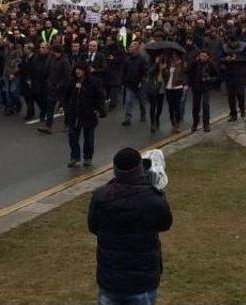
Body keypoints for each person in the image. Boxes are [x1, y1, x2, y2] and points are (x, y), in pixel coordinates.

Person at [88, 147, 172, 305]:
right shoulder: (152, 198)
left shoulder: (100, 196)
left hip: (110, 278)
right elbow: (165, 223)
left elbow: (93, 226)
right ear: (140, 169)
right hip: (142, 279)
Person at [66, 62, 106, 168]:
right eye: (76, 69)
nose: (77, 71)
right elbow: (67, 95)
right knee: (72, 136)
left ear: (85, 71)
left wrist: (98, 109)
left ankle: (87, 158)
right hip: (74, 114)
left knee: (88, 137)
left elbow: (100, 96)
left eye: (80, 69)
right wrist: (63, 106)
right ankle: (75, 157)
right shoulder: (72, 81)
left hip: (89, 113)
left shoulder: (93, 81)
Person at [38, 44, 71, 134]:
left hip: (62, 89)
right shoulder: (51, 58)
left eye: (53, 51)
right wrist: (46, 80)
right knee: (50, 107)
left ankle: (67, 124)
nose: (51, 52)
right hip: (52, 87)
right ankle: (48, 126)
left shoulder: (65, 61)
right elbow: (47, 70)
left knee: (65, 107)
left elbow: (67, 76)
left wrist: (60, 85)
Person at [221, 34, 246, 122]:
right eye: (231, 42)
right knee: (230, 96)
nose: (233, 44)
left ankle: (242, 108)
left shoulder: (244, 46)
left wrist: (237, 58)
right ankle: (233, 114)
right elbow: (220, 57)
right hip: (229, 73)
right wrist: (226, 59)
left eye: (234, 42)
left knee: (240, 94)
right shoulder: (225, 47)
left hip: (240, 73)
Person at [188, 50, 218, 133]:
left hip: (206, 87)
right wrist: (188, 84)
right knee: (196, 107)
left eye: (205, 56)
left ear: (208, 57)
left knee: (205, 105)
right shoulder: (195, 63)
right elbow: (189, 73)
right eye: (201, 56)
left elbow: (217, 76)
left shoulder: (211, 64)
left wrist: (210, 79)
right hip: (196, 87)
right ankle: (195, 122)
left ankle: (206, 124)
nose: (203, 58)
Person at [122, 41, 147, 127]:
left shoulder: (142, 60)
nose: (129, 48)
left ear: (136, 49)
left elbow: (145, 72)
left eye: (131, 47)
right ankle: (127, 119)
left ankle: (143, 114)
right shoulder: (127, 59)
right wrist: (125, 80)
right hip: (130, 84)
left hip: (139, 85)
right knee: (128, 101)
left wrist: (141, 82)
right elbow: (124, 70)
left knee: (141, 102)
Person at [163, 52, 186, 133]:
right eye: (173, 56)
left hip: (178, 87)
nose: (174, 57)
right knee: (170, 107)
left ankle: (177, 124)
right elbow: (165, 76)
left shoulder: (182, 64)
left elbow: (185, 75)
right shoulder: (168, 64)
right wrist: (165, 69)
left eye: (175, 56)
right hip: (168, 87)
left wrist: (185, 84)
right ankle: (173, 121)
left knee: (177, 106)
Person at [144, 55, 166, 134]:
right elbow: (149, 72)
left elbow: (167, 74)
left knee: (160, 105)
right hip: (153, 86)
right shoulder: (150, 62)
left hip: (161, 86)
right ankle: (152, 123)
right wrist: (156, 64)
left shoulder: (165, 62)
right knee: (153, 106)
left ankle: (157, 118)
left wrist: (163, 69)